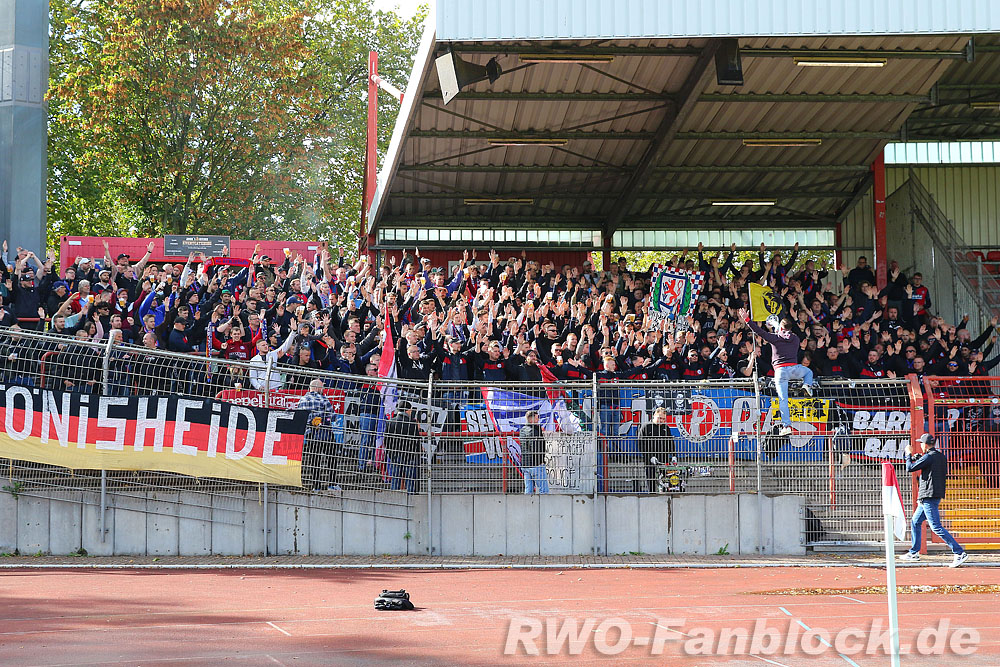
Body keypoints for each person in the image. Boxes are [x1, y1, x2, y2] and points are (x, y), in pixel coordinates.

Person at [739, 307, 815, 436]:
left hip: (780, 372)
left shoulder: (774, 338)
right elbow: (786, 333)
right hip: (794, 369)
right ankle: (807, 385)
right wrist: (777, 325)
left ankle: (786, 426)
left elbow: (758, 330)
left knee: (783, 399)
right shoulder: (795, 338)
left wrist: (747, 319)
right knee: (808, 372)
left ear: (780, 327)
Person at [899, 433, 969, 567]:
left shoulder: (929, 457)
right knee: (915, 522)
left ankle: (959, 552)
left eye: (921, 443)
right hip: (931, 495)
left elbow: (910, 468)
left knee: (936, 527)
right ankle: (914, 552)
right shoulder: (940, 456)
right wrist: (918, 458)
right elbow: (928, 466)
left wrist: (908, 454)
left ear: (925, 444)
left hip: (928, 496)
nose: (920, 445)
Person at [293, 379, 338, 490]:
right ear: (317, 388)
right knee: (331, 459)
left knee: (314, 460)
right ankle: (332, 484)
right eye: (322, 387)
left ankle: (316, 486)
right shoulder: (323, 399)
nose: (323, 389)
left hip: (311, 434)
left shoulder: (302, 400)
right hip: (325, 433)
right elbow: (333, 416)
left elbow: (300, 417)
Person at [637, 407, 675, 493]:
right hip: (650, 461)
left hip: (664, 459)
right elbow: (641, 444)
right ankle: (652, 495)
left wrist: (673, 455)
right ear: (654, 415)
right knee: (651, 480)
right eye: (659, 418)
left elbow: (671, 442)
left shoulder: (666, 428)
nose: (661, 421)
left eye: (663, 419)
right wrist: (650, 456)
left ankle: (665, 495)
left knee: (665, 481)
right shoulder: (646, 427)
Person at [518, 410, 548, 494]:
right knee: (544, 490)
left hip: (525, 464)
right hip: (535, 464)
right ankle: (544, 503)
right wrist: (541, 461)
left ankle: (528, 503)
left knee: (528, 490)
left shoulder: (522, 430)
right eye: (537, 418)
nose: (538, 420)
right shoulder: (534, 431)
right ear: (532, 419)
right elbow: (536, 448)